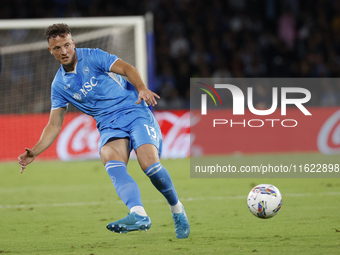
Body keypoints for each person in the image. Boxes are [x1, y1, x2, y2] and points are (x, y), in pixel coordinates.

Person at [18, 23, 190, 239]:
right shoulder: (59, 86)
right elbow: (54, 124)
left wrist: (142, 88)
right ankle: (139, 215)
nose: (64, 51)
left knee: (149, 165)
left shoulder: (93, 56)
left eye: (67, 45)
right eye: (58, 48)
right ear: (50, 50)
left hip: (133, 110)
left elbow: (128, 69)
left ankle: (177, 209)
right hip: (109, 125)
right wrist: (35, 151)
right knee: (109, 158)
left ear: (73, 43)